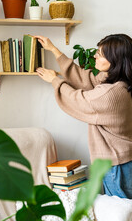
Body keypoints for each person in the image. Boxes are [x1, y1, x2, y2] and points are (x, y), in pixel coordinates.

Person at [35, 34, 132, 199]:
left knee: (120, 212)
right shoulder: (121, 84)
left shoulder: (110, 94)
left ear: (114, 59)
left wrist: (55, 81)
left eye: (100, 54)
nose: (95, 55)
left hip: (116, 166)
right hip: (123, 160)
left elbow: (78, 100)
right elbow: (86, 80)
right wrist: (53, 49)